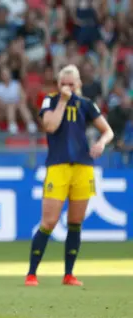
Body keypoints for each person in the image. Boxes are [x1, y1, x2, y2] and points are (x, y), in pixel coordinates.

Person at [26, 64, 113, 287]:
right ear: (57, 84)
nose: (66, 88)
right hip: (58, 166)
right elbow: (50, 126)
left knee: (75, 221)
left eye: (71, 84)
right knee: (50, 221)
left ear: (79, 84)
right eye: (63, 84)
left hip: (83, 166)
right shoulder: (51, 101)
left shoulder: (86, 104)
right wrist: (63, 100)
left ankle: (68, 274)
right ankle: (32, 273)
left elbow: (107, 130)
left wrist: (101, 143)